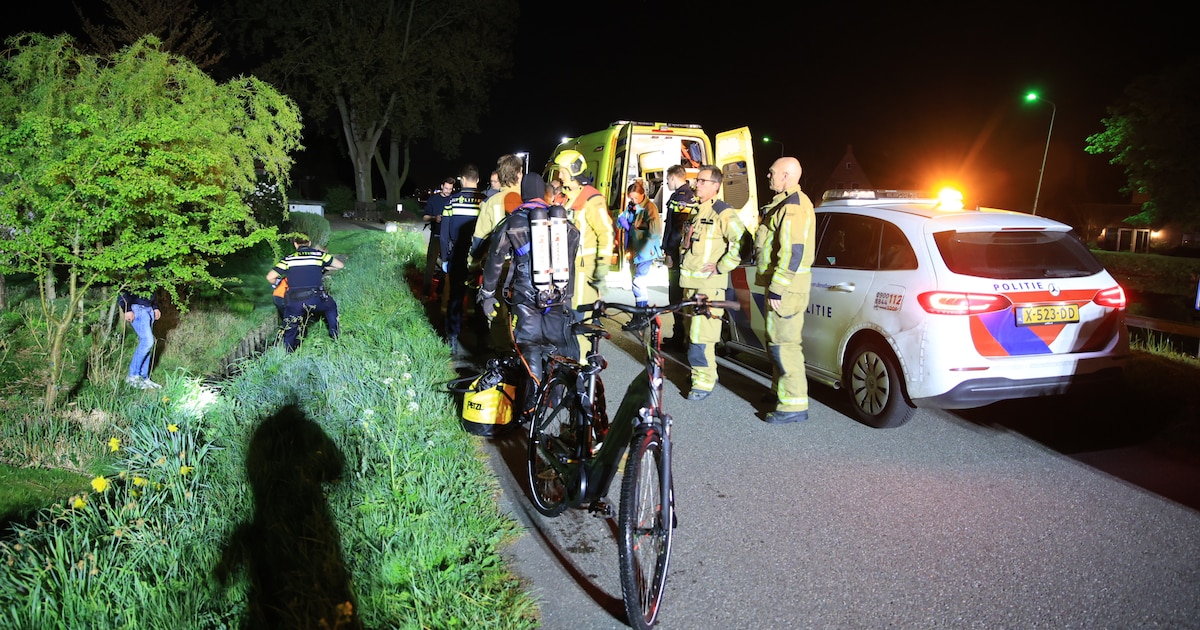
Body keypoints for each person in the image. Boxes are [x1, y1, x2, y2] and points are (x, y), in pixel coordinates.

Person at [477, 176, 580, 422]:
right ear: (544, 195)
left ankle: (531, 406)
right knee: (556, 347)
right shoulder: (563, 224)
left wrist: (488, 293)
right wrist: (568, 298)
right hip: (558, 296)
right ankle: (558, 398)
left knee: (530, 344)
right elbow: (571, 259)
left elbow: (495, 259)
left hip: (526, 297)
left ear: (523, 195)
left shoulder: (513, 222)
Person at [754, 157, 817, 424]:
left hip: (788, 290)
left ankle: (793, 405)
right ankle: (780, 391)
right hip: (784, 288)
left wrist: (778, 288)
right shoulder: (783, 204)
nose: (768, 176)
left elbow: (794, 253)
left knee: (785, 346)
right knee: (776, 342)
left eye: (772, 173)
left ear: (787, 176)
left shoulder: (793, 206)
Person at [678, 165, 745, 401]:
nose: (697, 184)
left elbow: (741, 240)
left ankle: (703, 381)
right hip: (692, 283)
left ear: (716, 185)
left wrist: (721, 266)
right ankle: (701, 373)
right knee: (691, 332)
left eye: (702, 181)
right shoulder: (698, 210)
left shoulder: (722, 211)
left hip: (708, 286)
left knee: (701, 335)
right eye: (697, 180)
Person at [553, 150, 614, 358]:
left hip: (582, 272)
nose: (559, 176)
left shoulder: (591, 199)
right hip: (564, 270)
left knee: (580, 321)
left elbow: (606, 233)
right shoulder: (563, 198)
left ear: (573, 171)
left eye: (562, 171)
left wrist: (602, 268)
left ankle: (583, 368)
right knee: (565, 318)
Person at [266, 234, 345, 352]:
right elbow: (340, 265)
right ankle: (335, 336)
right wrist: (322, 268)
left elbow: (270, 277)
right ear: (309, 243)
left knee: (290, 327)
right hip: (317, 299)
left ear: (295, 244)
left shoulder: (288, 259)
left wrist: (278, 282)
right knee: (331, 307)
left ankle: (288, 352)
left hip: (295, 301)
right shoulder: (319, 256)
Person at [441, 164, 485, 355]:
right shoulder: (485, 202)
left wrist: (444, 258)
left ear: (462, 179)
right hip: (480, 255)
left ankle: (452, 337)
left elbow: (444, 235)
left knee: (456, 297)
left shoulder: (452, 201)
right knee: (481, 298)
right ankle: (482, 341)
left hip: (458, 254)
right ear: (477, 180)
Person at [661, 164, 697, 347]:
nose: (666, 182)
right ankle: (680, 336)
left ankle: (679, 338)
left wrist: (670, 252)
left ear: (674, 177)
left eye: (667, 179)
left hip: (676, 255)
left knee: (676, 296)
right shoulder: (683, 195)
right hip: (677, 254)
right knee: (676, 295)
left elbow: (677, 230)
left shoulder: (683, 197)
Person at [617, 180, 662, 307]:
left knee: (638, 281)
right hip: (634, 249)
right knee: (635, 281)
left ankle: (640, 314)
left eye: (636, 197)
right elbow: (620, 221)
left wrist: (634, 230)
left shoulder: (650, 207)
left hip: (645, 251)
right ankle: (642, 312)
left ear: (643, 194)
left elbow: (655, 231)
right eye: (631, 198)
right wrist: (623, 220)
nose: (633, 200)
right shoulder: (632, 207)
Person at [118, 285, 163, 389]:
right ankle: (133, 376)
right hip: (137, 309)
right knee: (148, 342)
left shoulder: (152, 271)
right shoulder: (133, 270)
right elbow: (121, 289)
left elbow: (152, 288)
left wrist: (155, 307)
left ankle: (144, 378)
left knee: (147, 343)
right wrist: (126, 309)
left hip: (149, 309)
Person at [422, 177, 455, 301]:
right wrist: (434, 218)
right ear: (442, 186)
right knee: (430, 265)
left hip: (449, 238)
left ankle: (441, 291)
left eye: (450, 189)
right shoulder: (434, 199)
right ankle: (426, 292)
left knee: (445, 266)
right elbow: (424, 217)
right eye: (446, 188)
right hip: (436, 236)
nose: (448, 191)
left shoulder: (453, 199)